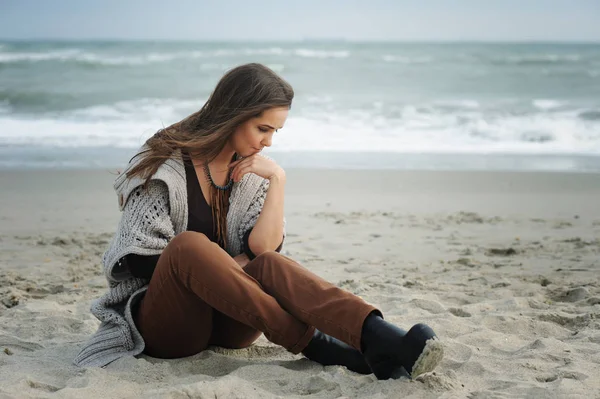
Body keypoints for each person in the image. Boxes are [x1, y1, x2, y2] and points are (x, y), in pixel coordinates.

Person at [73, 63, 443, 380]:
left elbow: (262, 251)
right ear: (234, 114)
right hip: (169, 327)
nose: (268, 143)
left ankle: (378, 336)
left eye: (275, 133)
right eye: (262, 129)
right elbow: (136, 259)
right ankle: (322, 346)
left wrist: (277, 179)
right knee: (189, 247)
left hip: (233, 322)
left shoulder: (252, 171)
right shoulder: (163, 163)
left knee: (269, 263)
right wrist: (215, 266)